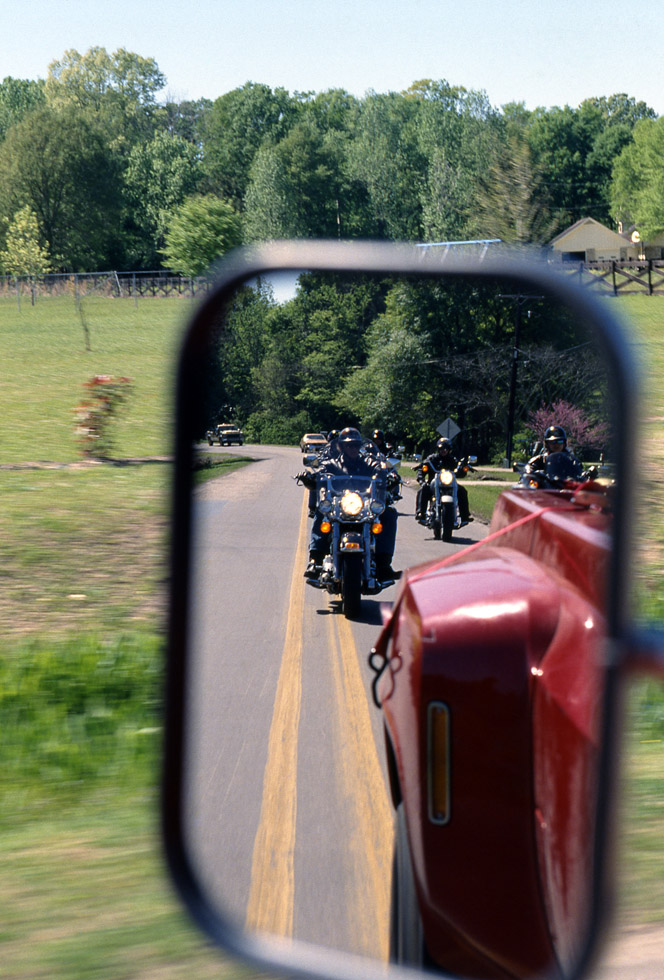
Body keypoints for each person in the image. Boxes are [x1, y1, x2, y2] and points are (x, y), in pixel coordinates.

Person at [299, 427, 398, 582]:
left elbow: (379, 469)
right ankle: (315, 561)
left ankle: (384, 564)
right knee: (321, 512)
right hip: (340, 503)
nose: (352, 448)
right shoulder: (331, 463)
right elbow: (320, 472)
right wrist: (310, 476)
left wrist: (390, 475)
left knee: (389, 514)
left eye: (355, 445)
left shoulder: (368, 462)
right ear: (342, 446)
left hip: (363, 504)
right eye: (349, 445)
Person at [415, 437, 472, 526]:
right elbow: (422, 469)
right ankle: (420, 513)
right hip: (433, 484)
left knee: (462, 491)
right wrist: (421, 479)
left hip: (449, 483)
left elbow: (459, 472)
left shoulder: (453, 460)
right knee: (423, 488)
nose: (443, 451)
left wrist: (463, 469)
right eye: (441, 449)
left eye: (446, 449)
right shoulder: (432, 459)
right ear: (438, 449)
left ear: (449, 450)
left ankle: (465, 516)